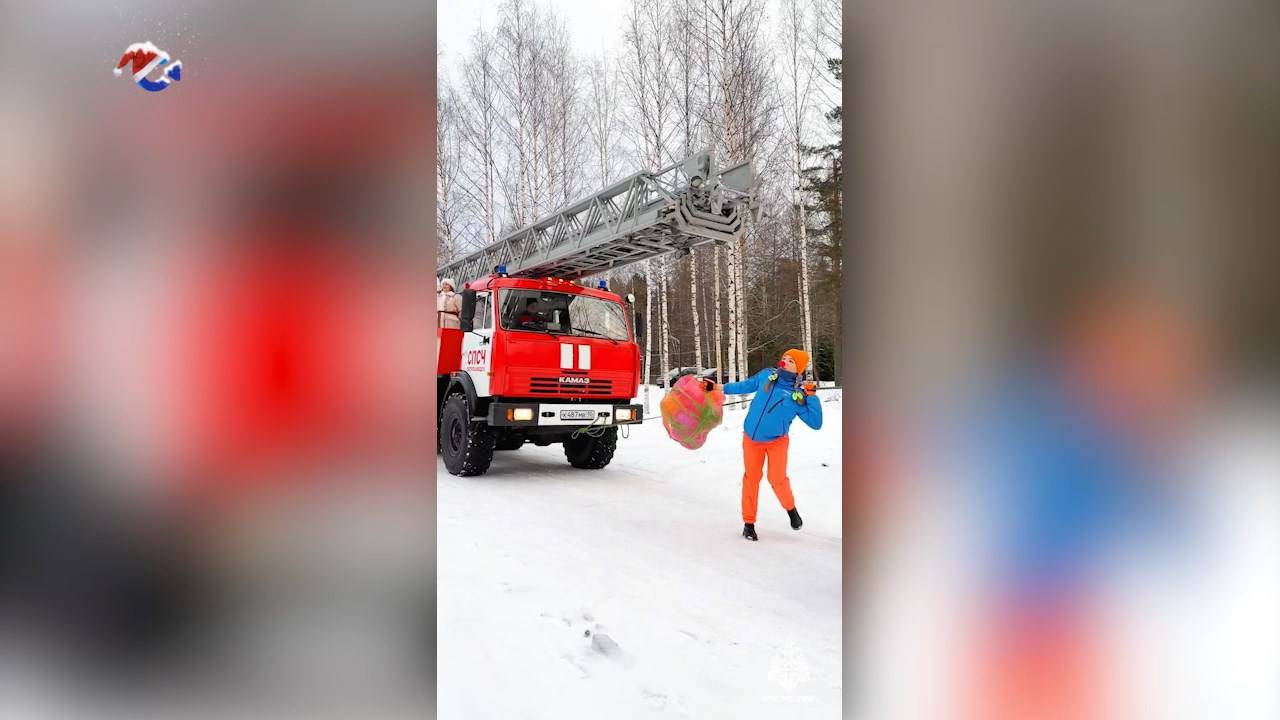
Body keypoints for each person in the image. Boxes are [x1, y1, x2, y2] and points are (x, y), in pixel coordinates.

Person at [706, 348, 822, 541]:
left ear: (798, 369)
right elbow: (745, 386)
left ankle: (791, 510)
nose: (785, 361)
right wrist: (718, 387)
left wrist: (811, 397)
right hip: (751, 439)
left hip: (777, 442)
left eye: (791, 360)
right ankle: (748, 524)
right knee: (751, 478)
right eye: (784, 357)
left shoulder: (797, 396)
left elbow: (815, 423)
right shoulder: (767, 376)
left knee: (776, 479)